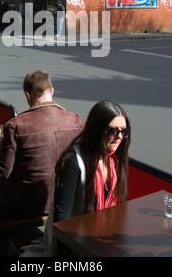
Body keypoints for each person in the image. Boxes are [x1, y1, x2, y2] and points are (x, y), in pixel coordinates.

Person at [21, 100, 131, 257]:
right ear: (97, 130)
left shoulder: (116, 160)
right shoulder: (74, 162)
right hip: (75, 242)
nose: (119, 137)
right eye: (113, 131)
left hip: (104, 238)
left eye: (123, 131)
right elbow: (62, 222)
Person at [0, 70, 84, 217]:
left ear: (27, 94)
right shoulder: (77, 121)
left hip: (27, 201)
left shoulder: (16, 125)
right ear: (52, 91)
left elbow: (3, 171)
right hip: (64, 201)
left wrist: (0, 142)